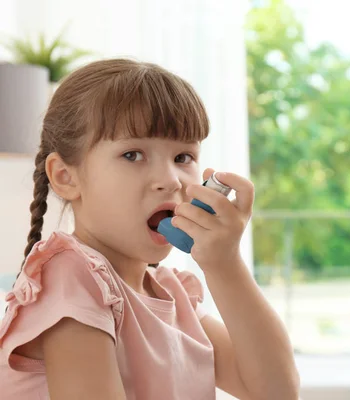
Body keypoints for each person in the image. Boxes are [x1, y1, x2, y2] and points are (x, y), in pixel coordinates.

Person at [0, 58, 299, 399]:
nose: (170, 181)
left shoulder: (173, 294)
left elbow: (277, 391)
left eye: (183, 157)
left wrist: (226, 264)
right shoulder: (71, 276)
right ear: (66, 177)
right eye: (133, 155)